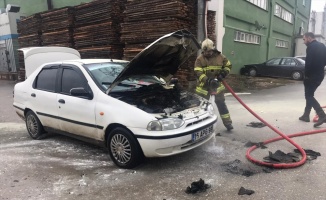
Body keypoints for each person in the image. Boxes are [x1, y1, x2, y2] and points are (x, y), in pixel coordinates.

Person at [194, 38, 233, 131]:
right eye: (205, 52)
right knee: (202, 107)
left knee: (221, 104)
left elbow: (228, 65)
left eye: (209, 51)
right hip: (203, 87)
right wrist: (208, 80)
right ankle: (200, 126)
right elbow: (198, 73)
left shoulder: (221, 57)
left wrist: (223, 74)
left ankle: (228, 123)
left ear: (213, 49)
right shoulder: (199, 59)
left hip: (217, 85)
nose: (207, 53)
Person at [299, 32, 326, 127]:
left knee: (309, 96)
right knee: (309, 95)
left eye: (304, 39)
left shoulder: (310, 47)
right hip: (320, 75)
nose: (304, 41)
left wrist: (306, 75)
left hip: (311, 76)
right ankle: (306, 115)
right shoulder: (322, 46)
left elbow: (308, 63)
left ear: (309, 38)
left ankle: (322, 115)